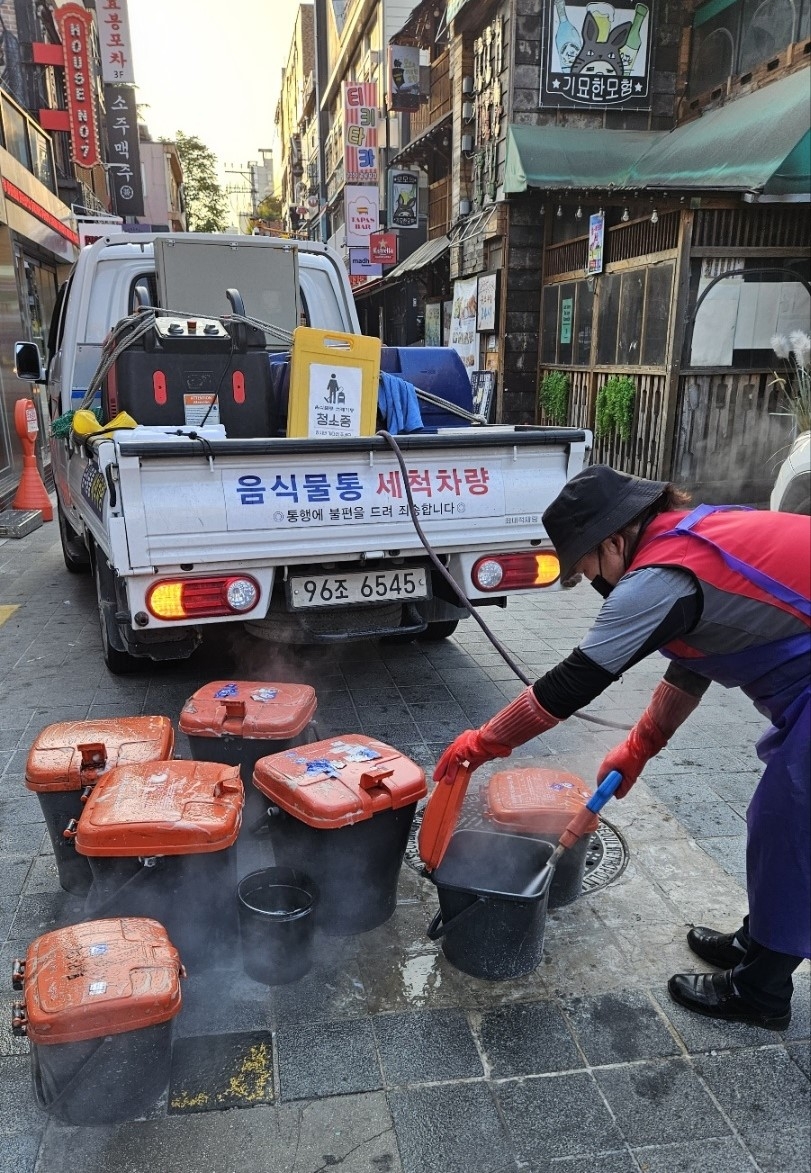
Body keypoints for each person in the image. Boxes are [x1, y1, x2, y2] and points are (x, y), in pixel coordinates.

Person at [435, 465, 810, 1029]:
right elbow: (692, 661)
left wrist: (485, 742)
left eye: (589, 571)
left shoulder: (659, 575)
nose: (596, 585)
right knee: (777, 819)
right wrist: (640, 746)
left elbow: (572, 683)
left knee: (792, 823)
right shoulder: (689, 536)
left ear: (614, 540)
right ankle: (759, 942)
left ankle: (761, 990)